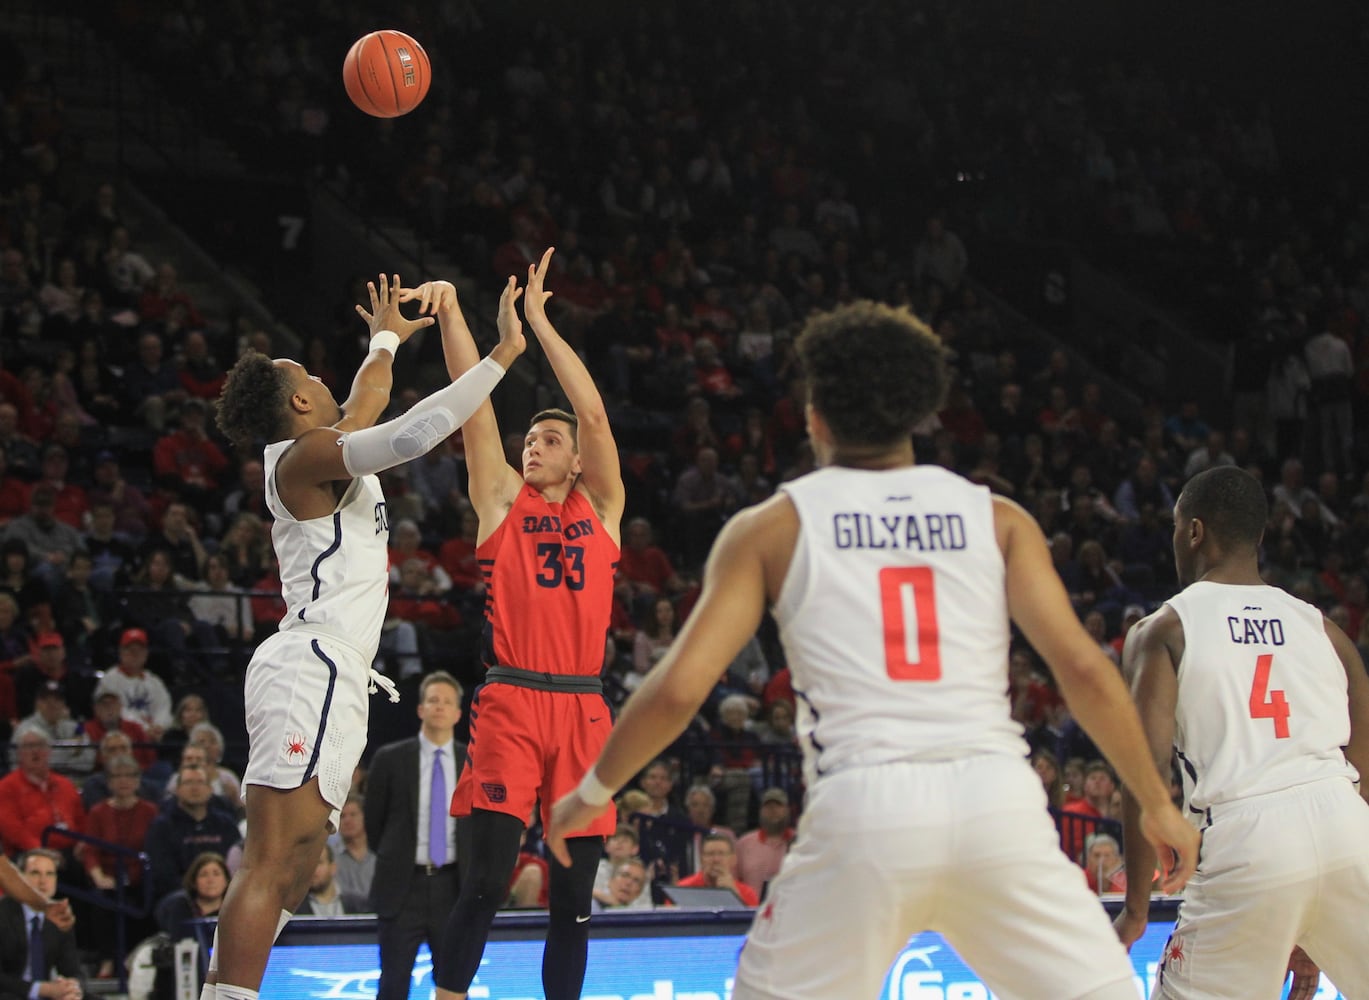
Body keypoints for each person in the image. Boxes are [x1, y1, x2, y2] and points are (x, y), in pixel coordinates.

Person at [548, 300, 1198, 1000]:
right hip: (995, 804)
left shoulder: (771, 526)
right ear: (921, 413)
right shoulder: (998, 517)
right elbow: (1082, 672)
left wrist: (590, 794)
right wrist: (1157, 805)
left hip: (862, 809)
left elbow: (678, 691)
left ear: (812, 414)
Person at [207, 272, 524, 1000]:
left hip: (334, 670)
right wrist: (501, 353)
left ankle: (229, 989)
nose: (329, 383)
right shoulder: (302, 458)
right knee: (270, 857)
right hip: (309, 661)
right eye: (313, 378)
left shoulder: (322, 444)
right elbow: (410, 430)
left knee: (295, 862)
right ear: (296, 403)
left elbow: (370, 398)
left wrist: (386, 336)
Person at [418, 249, 624, 1000]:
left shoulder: (602, 511)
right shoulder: (501, 502)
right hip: (510, 704)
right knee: (484, 884)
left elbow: (593, 414)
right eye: (529, 440)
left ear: (575, 462)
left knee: (571, 910)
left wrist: (539, 322)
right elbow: (472, 406)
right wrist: (451, 315)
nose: (531, 447)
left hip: (582, 707)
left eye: (548, 442)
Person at [1115, 466, 1369, 998]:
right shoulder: (1323, 627)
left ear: (1194, 531)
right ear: (1258, 537)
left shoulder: (1165, 628)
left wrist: (1136, 910)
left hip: (1247, 838)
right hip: (1347, 824)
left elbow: (1145, 777)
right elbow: (1364, 744)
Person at [364, 672, 465, 1000]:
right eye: (433, 700)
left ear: (458, 714)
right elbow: (373, 825)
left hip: (454, 887)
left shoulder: (474, 763)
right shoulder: (389, 759)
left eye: (447, 702)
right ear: (420, 709)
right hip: (401, 887)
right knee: (393, 984)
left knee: (453, 984)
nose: (440, 707)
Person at [0, 849, 84, 1000]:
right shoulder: (3, 913)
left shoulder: (59, 914)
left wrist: (71, 987)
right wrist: (41, 990)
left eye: (50, 874)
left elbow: (73, 970)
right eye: (35, 873)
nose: (43, 881)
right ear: (21, 878)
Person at [671, 832, 760, 906]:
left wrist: (732, 894)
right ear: (702, 860)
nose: (716, 860)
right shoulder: (682, 889)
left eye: (721, 854)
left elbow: (752, 924)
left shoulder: (747, 893)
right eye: (710, 854)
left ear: (733, 860)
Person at [293, 845, 367, 916]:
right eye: (308, 864)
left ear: (333, 868)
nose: (312, 869)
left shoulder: (359, 904)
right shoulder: (294, 909)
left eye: (319, 862)